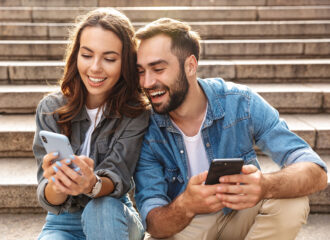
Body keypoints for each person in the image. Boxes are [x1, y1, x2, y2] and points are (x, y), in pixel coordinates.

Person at [133, 18, 328, 240]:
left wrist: (264, 185)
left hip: (239, 215)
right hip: (187, 225)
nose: (147, 82)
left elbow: (315, 171)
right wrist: (186, 204)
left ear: (190, 66)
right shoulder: (146, 129)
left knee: (292, 201)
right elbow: (154, 223)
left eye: (158, 69)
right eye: (141, 71)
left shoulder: (240, 102)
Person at [33, 8, 149, 240]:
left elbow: (119, 175)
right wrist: (58, 184)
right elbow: (48, 197)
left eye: (109, 59)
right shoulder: (50, 108)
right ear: (76, 56)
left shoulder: (136, 113)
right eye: (87, 55)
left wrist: (91, 184)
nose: (95, 67)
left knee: (101, 208)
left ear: (125, 62)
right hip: (64, 220)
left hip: (114, 214)